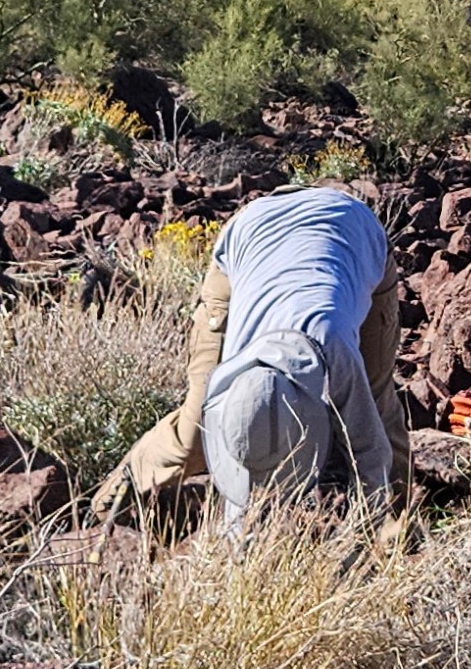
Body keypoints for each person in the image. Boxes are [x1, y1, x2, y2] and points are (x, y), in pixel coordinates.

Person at [92, 183, 408, 534]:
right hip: (252, 232)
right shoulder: (231, 370)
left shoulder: (335, 350)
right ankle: (108, 502)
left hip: (349, 228)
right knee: (193, 434)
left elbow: (367, 448)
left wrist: (374, 534)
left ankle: (404, 520)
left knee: (373, 408)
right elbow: (236, 490)